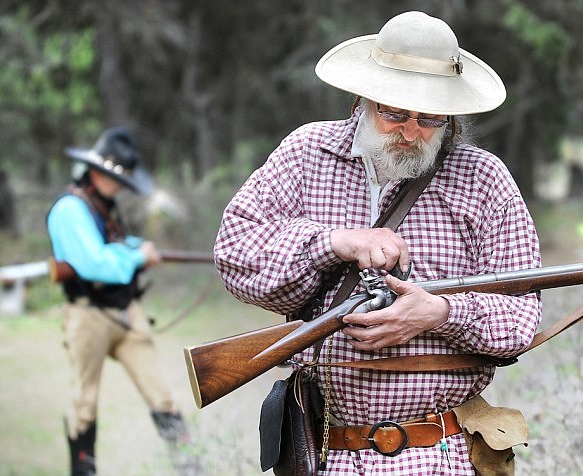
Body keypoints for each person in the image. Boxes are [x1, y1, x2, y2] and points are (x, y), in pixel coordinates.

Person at [214, 11, 542, 475]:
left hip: (438, 452)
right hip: (325, 449)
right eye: (393, 112)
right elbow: (235, 256)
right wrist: (331, 242)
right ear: (364, 98)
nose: (410, 132)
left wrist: (441, 314)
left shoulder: (483, 178)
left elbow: (521, 320)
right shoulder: (306, 152)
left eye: (429, 118)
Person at [47, 127, 196, 476]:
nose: (120, 186)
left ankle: (191, 468)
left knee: (162, 397)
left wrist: (139, 248)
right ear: (97, 172)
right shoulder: (70, 209)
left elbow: (116, 243)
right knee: (85, 404)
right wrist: (136, 258)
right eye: (117, 179)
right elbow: (95, 262)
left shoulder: (104, 205)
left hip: (126, 312)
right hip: (87, 316)